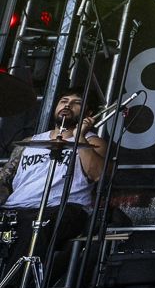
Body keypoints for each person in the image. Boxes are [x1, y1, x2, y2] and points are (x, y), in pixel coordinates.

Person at [0, 89, 107, 254]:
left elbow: (97, 174)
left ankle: (16, 280)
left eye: (76, 103)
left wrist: (80, 135)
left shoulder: (94, 142)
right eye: (64, 101)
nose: (68, 105)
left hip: (62, 209)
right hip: (15, 208)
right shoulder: (30, 142)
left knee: (34, 231)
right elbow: (5, 181)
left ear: (88, 112)